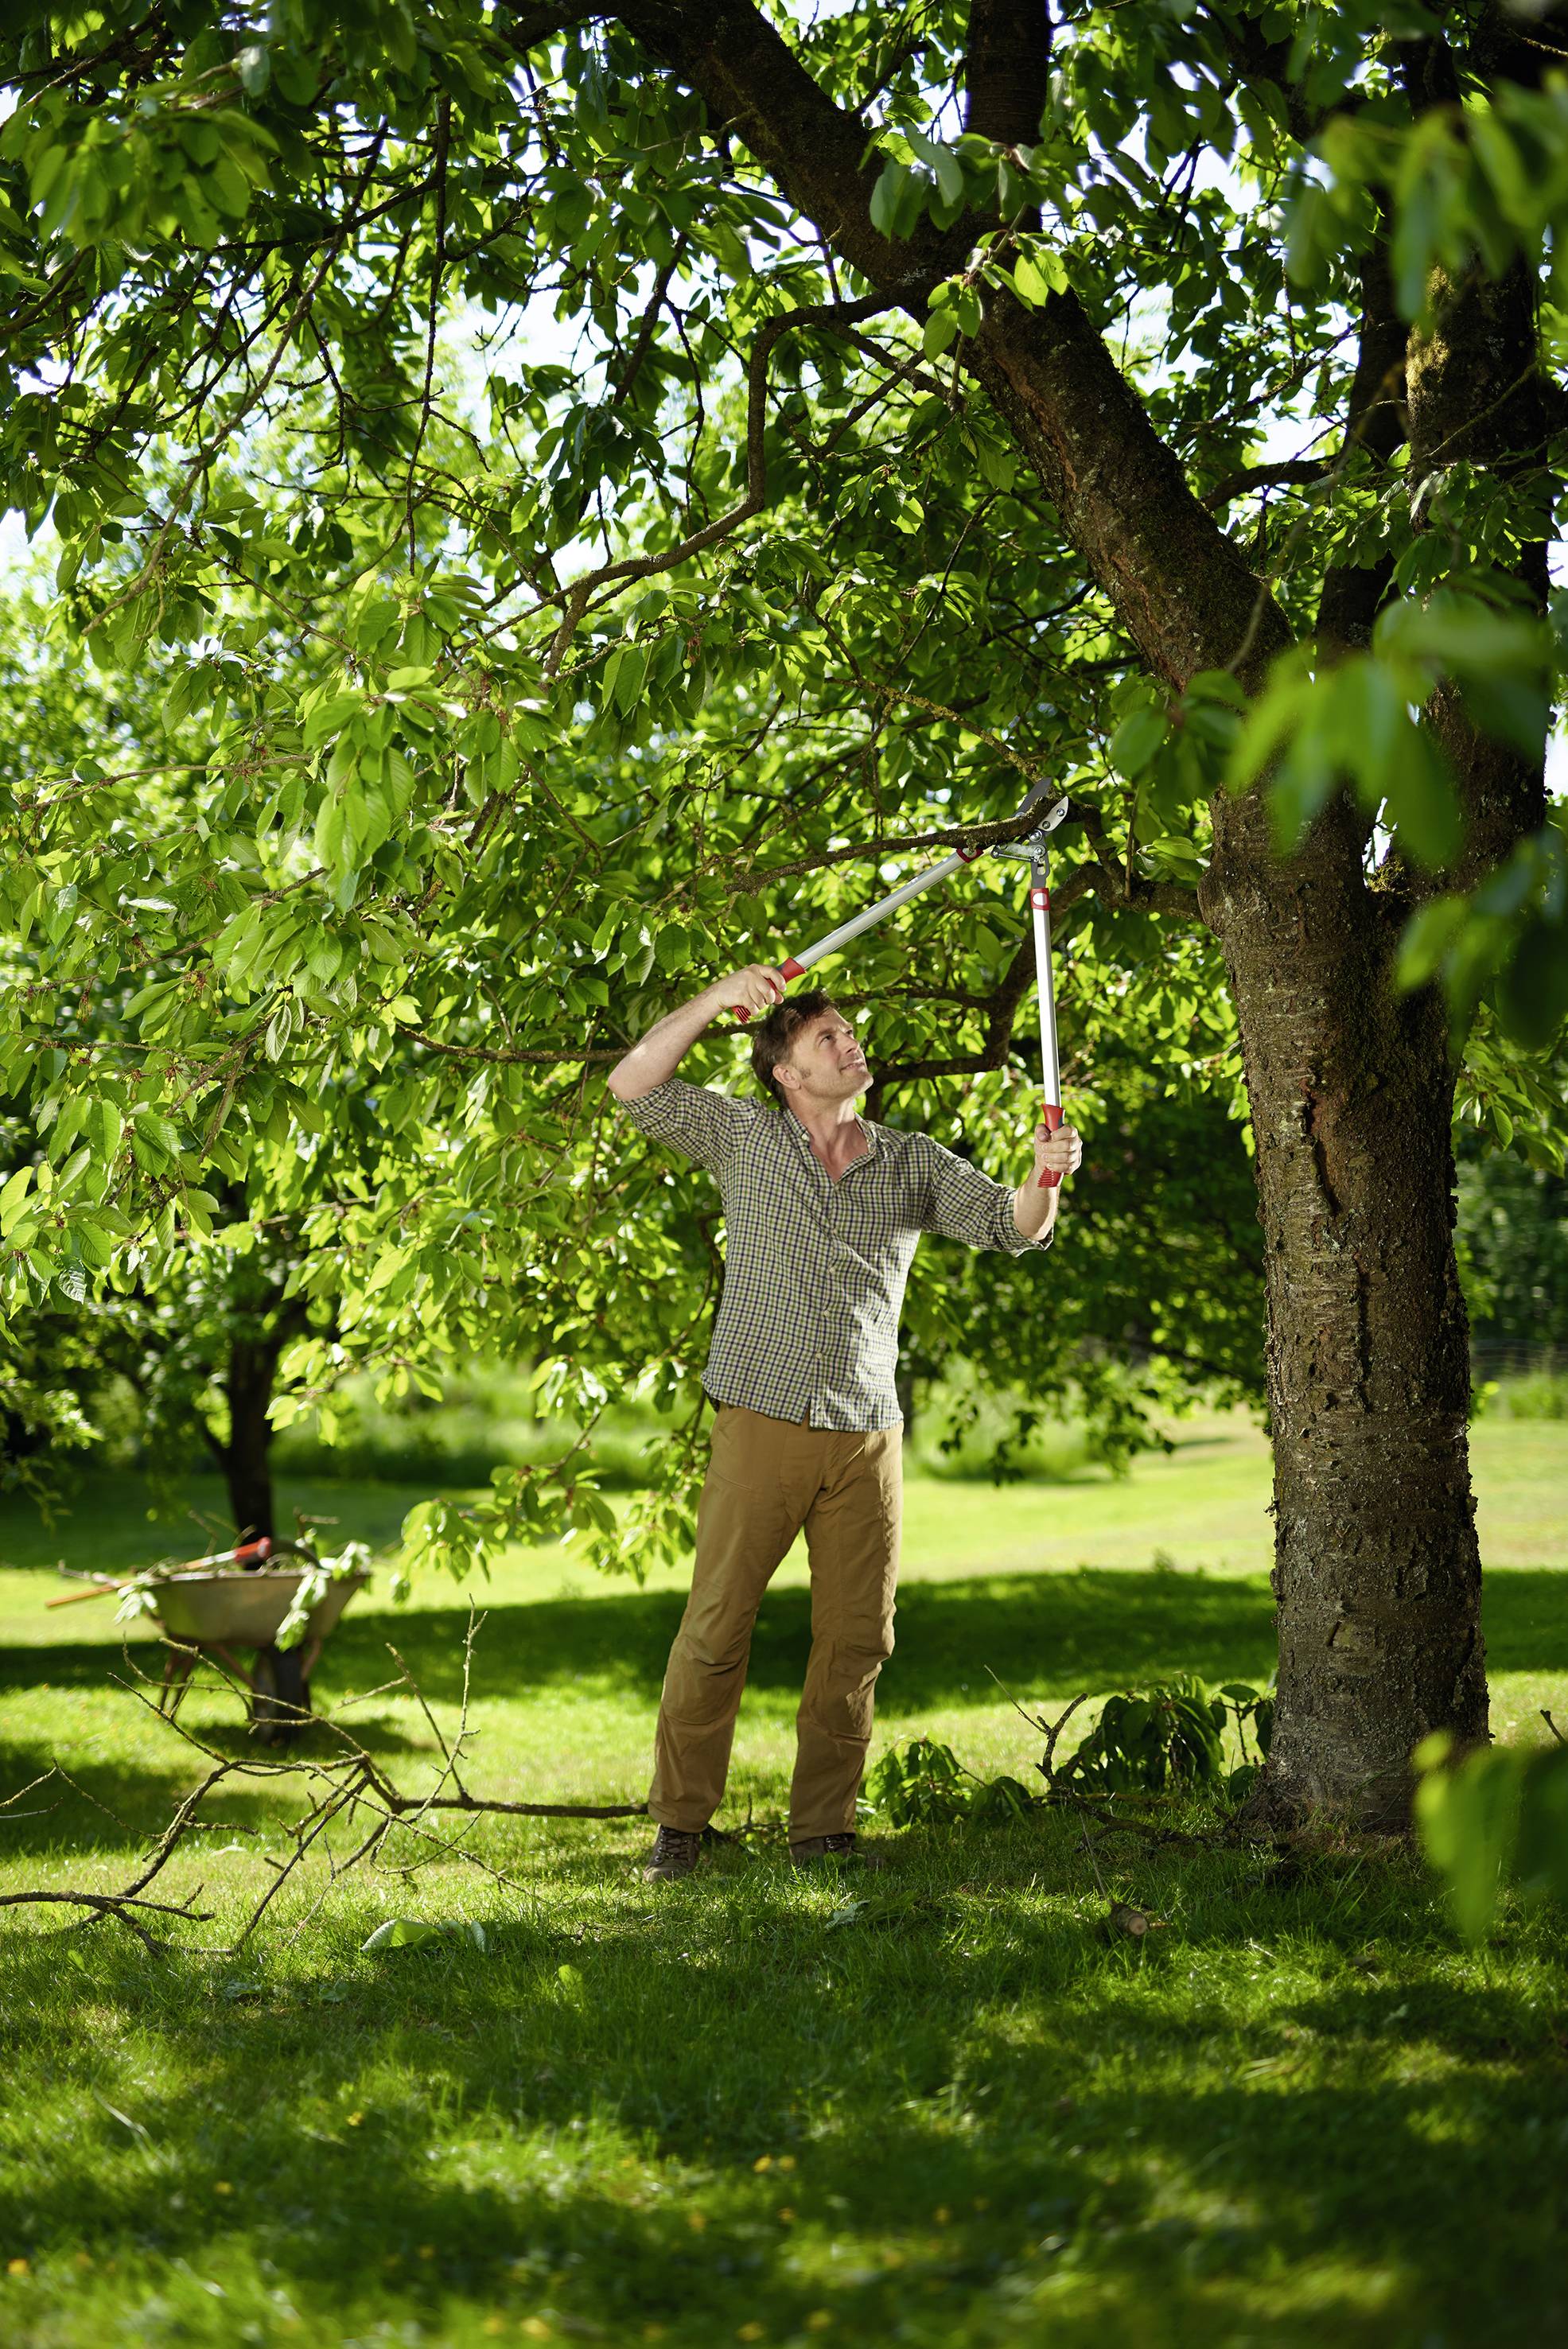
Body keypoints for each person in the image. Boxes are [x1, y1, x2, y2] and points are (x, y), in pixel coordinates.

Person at [607, 964, 1082, 1882]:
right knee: (717, 1628)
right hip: (762, 1418)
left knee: (859, 1638)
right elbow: (634, 1085)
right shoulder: (744, 1136)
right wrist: (715, 998)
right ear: (786, 1071)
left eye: (848, 1030)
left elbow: (1013, 1225)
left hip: (867, 1432)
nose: (849, 1040)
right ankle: (680, 1827)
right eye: (827, 1036)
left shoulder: (911, 1161)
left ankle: (824, 1830)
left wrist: (1044, 1175)